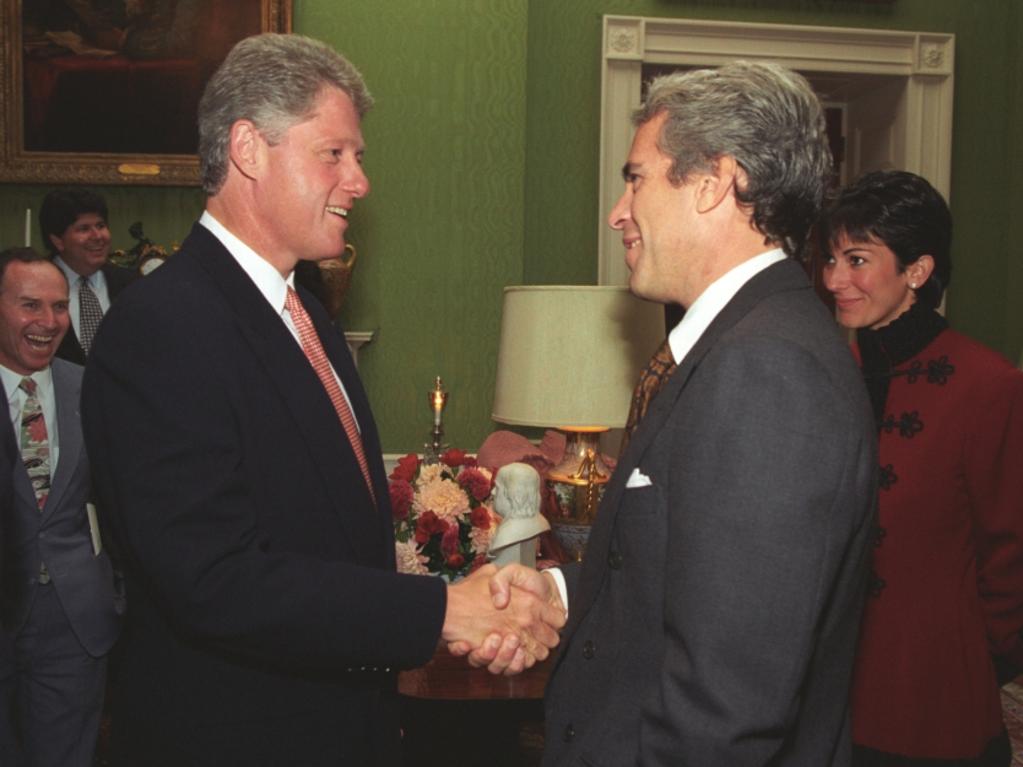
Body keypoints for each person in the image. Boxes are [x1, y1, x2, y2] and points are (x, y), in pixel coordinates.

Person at [80, 33, 564, 767]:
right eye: (333, 154)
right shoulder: (161, 326)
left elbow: (329, 540)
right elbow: (214, 578)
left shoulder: (309, 314)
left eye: (358, 157)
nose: (359, 181)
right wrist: (439, 611)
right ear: (248, 149)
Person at [463, 61, 879, 765]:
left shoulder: (767, 369)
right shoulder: (738, 344)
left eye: (636, 178)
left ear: (714, 183)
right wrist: (558, 592)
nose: (618, 211)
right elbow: (683, 568)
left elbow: (726, 707)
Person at [819, 170, 1023, 767]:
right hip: (831, 691)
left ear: (917, 270)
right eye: (830, 259)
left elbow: (1009, 554)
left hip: (935, 701)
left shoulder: (987, 384)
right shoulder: (830, 370)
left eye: (857, 259)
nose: (834, 279)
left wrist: (978, 657)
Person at [0, 247, 123, 767]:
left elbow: (123, 500)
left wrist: (114, 591)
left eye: (58, 307)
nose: (48, 322)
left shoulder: (89, 389)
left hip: (74, 626)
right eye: (31, 306)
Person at [39, 189, 136, 364]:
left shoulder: (132, 284)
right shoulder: (36, 285)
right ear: (57, 241)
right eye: (84, 229)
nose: (98, 236)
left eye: (100, 226)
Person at [489, 462, 549, 567]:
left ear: (512, 493)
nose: (493, 492)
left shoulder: (507, 534)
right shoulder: (535, 522)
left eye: (497, 487)